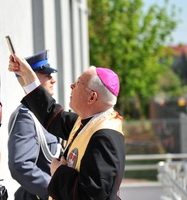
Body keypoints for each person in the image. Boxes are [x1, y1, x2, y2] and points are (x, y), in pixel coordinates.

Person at [8, 53, 125, 200]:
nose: (72, 86)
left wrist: (59, 173)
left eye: (79, 83)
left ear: (92, 97)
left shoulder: (104, 137)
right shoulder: (89, 121)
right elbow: (51, 114)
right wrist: (27, 76)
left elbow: (91, 196)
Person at [8, 50, 63, 200]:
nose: (53, 80)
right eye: (47, 75)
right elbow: (21, 166)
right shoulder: (26, 117)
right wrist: (54, 190)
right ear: (28, 77)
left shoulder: (43, 115)